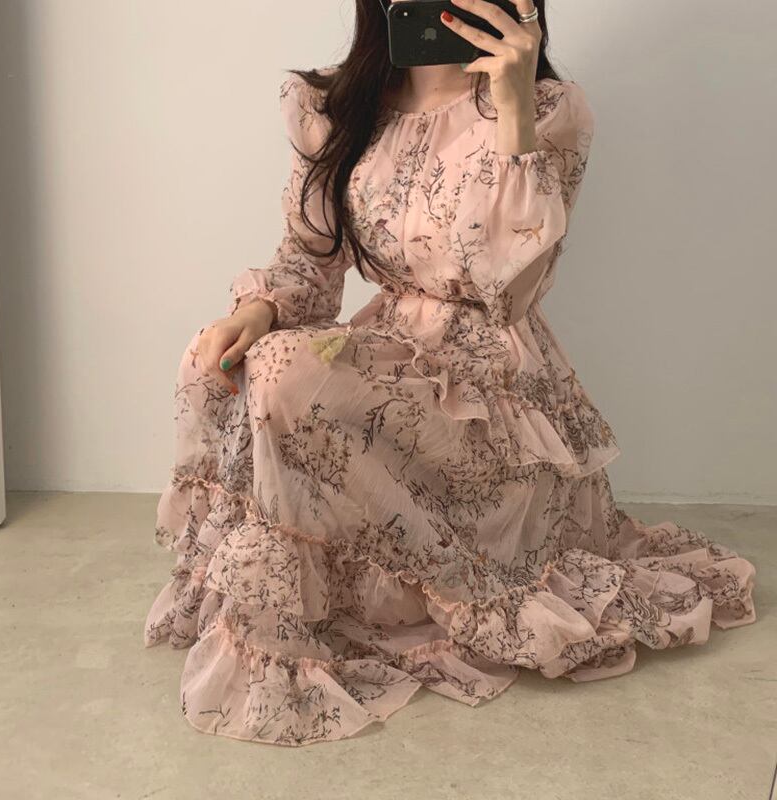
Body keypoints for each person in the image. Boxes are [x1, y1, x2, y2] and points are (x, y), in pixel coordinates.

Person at [144, 0, 757, 747]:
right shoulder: (337, 107)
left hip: (491, 389)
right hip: (387, 354)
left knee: (285, 372)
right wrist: (260, 309)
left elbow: (514, 287)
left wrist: (514, 113)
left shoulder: (550, 111)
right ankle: (312, 591)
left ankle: (433, 577)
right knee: (225, 359)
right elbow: (310, 258)